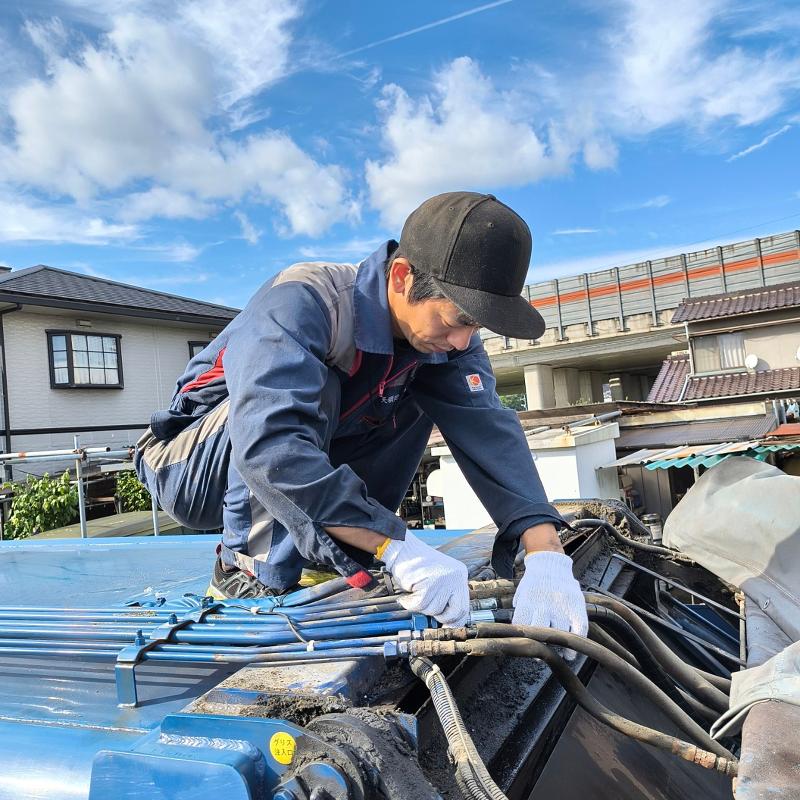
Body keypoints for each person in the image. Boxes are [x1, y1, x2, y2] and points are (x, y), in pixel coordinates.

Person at [135, 191, 588, 637]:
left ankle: (333, 552)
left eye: (475, 327)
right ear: (402, 277)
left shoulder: (444, 341)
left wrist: (545, 552)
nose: (463, 341)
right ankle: (247, 572)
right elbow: (271, 446)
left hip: (281, 462)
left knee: (420, 382)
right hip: (188, 466)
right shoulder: (305, 300)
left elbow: (487, 427)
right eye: (457, 320)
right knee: (314, 391)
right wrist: (396, 545)